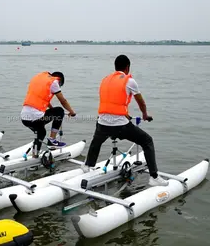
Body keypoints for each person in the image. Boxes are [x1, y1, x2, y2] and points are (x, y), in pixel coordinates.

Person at [82, 55, 169, 187]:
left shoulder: (105, 80)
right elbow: (141, 102)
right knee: (147, 141)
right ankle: (154, 177)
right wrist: (145, 115)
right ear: (127, 67)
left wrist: (126, 114)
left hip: (102, 123)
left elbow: (113, 102)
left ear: (115, 67)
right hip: (120, 126)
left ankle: (88, 165)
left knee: (96, 142)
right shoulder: (129, 81)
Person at [21, 71, 76, 157]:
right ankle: (52, 140)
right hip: (36, 119)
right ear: (60, 81)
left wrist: (52, 110)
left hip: (24, 118)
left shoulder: (39, 80)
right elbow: (63, 101)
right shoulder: (54, 82)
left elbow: (45, 101)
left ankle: (34, 156)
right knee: (60, 111)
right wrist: (72, 112)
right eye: (60, 85)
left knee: (41, 133)